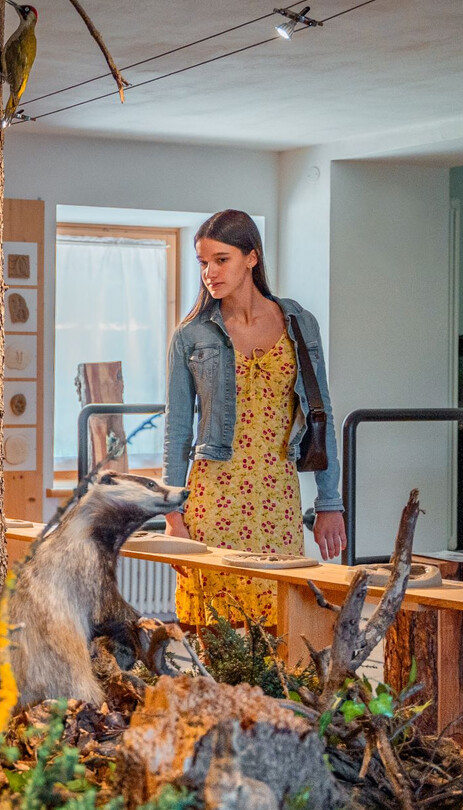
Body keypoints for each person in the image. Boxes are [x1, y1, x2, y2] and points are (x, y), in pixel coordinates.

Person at [162, 209, 345, 631]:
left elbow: (321, 412)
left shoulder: (298, 322)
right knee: (213, 627)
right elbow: (177, 429)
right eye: (203, 262)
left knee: (279, 624)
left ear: (252, 257)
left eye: (221, 259)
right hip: (213, 498)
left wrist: (329, 502)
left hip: (277, 497)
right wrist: (173, 516)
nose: (210, 272)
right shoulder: (192, 334)